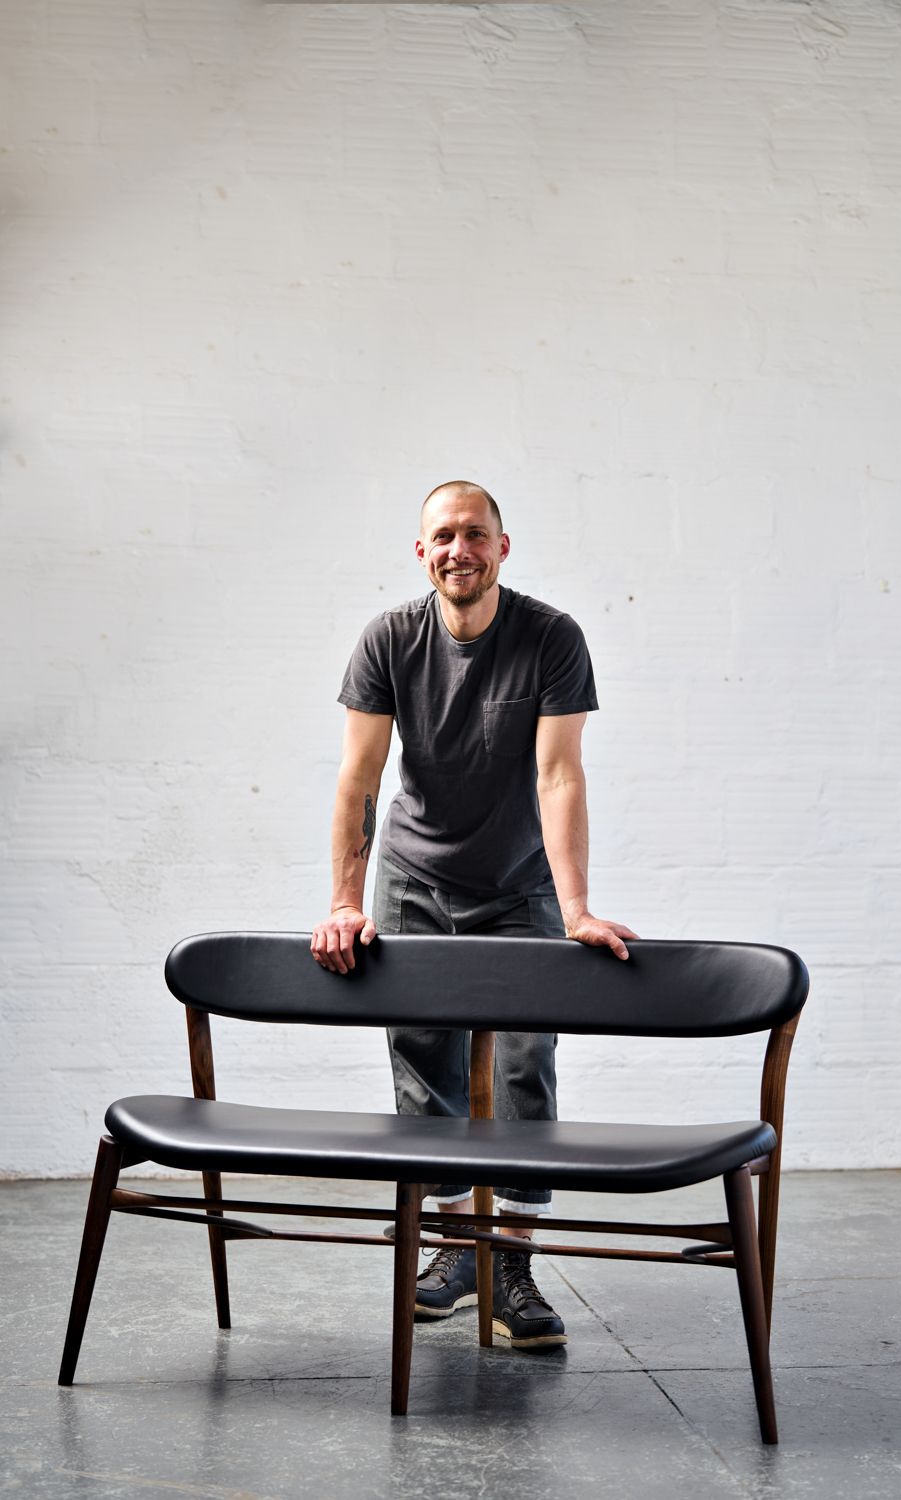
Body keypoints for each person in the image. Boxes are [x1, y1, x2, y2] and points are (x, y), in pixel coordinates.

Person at [311, 480, 637, 1350]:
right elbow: (359, 778)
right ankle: (458, 1252)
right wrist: (345, 901)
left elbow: (559, 775)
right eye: (443, 536)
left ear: (502, 547)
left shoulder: (552, 637)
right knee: (424, 1068)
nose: (460, 549)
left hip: (519, 886)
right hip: (414, 879)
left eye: (476, 535)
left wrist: (574, 909)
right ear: (423, 553)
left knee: (528, 1066)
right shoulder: (388, 639)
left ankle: (514, 1265)